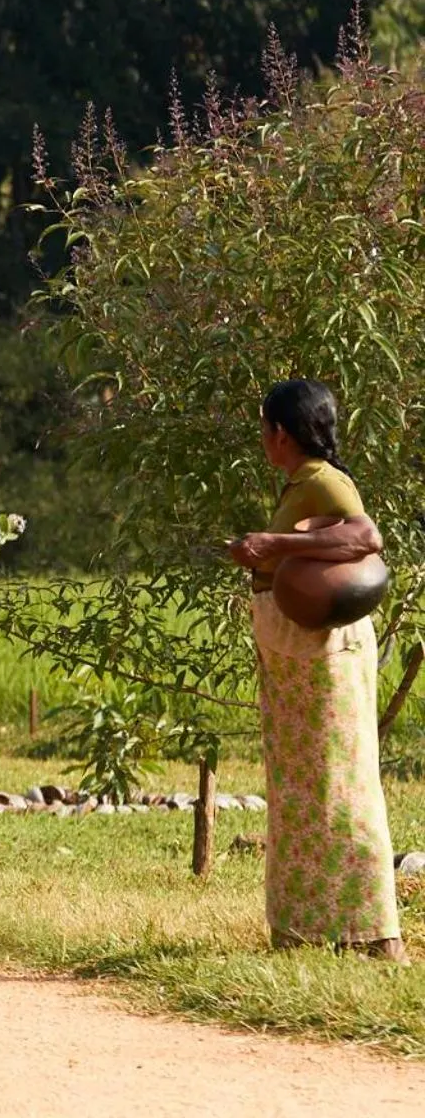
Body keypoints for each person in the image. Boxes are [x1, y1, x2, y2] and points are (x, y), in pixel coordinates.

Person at [227, 379, 403, 960]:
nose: (263, 439)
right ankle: (305, 927)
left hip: (324, 653)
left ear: (280, 432)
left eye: (263, 428)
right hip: (299, 651)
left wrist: (272, 544)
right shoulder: (303, 483)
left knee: (341, 782)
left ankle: (374, 935)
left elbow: (365, 536)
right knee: (303, 788)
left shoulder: (326, 480)